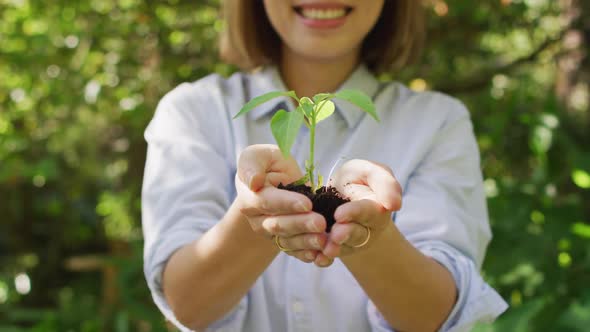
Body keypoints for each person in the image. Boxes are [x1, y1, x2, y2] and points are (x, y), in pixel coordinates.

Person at [142, 1, 508, 331]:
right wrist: (258, 213)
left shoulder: (436, 122)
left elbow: (432, 316)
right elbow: (186, 305)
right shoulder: (195, 111)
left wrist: (370, 237)